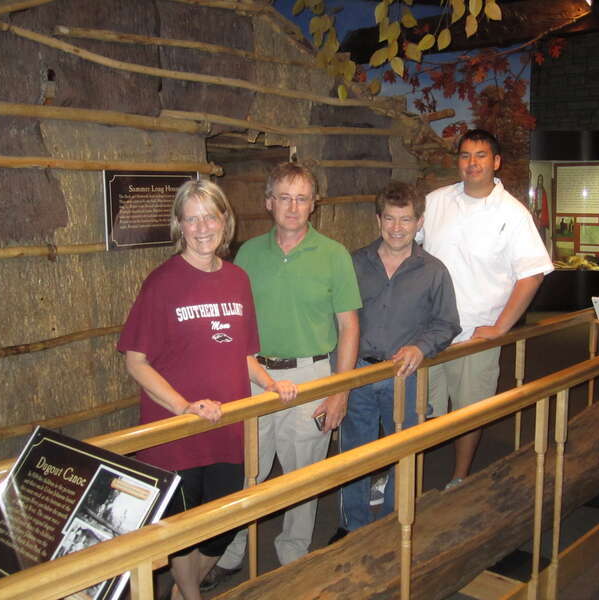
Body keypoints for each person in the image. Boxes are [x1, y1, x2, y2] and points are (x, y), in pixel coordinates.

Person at [117, 180, 296, 600]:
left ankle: (182, 592)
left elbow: (243, 354)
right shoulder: (161, 282)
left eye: (209, 216)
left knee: (223, 524)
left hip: (227, 426)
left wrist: (271, 384)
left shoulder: (237, 279)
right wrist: (183, 407)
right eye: (191, 217)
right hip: (176, 431)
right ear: (180, 224)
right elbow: (135, 361)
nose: (202, 227)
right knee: (181, 527)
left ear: (224, 221)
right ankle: (192, 595)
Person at [206, 162, 361, 582]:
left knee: (302, 473)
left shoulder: (334, 256)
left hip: (311, 376)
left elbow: (348, 327)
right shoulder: (248, 254)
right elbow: (234, 324)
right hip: (256, 377)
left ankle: (293, 551)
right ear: (269, 201)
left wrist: (339, 392)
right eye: (285, 197)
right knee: (246, 471)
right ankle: (232, 549)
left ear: (314, 205)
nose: (293, 207)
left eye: (302, 198)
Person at [419, 129, 553, 489]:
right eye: (465, 155)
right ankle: (404, 477)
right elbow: (407, 247)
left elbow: (532, 274)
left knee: (469, 411)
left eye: (481, 156)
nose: (472, 163)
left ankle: (460, 476)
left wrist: (500, 328)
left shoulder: (513, 213)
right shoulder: (435, 202)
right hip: (429, 332)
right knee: (419, 411)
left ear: (496, 162)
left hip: (476, 333)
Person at [331, 182, 460, 541]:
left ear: (419, 222)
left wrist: (421, 346)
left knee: (404, 453)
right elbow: (338, 318)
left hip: (406, 376)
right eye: (390, 218)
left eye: (406, 219)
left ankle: (392, 524)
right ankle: (351, 525)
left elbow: (448, 322)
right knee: (354, 454)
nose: (397, 227)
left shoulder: (433, 271)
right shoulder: (355, 263)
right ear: (378, 220)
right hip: (358, 374)